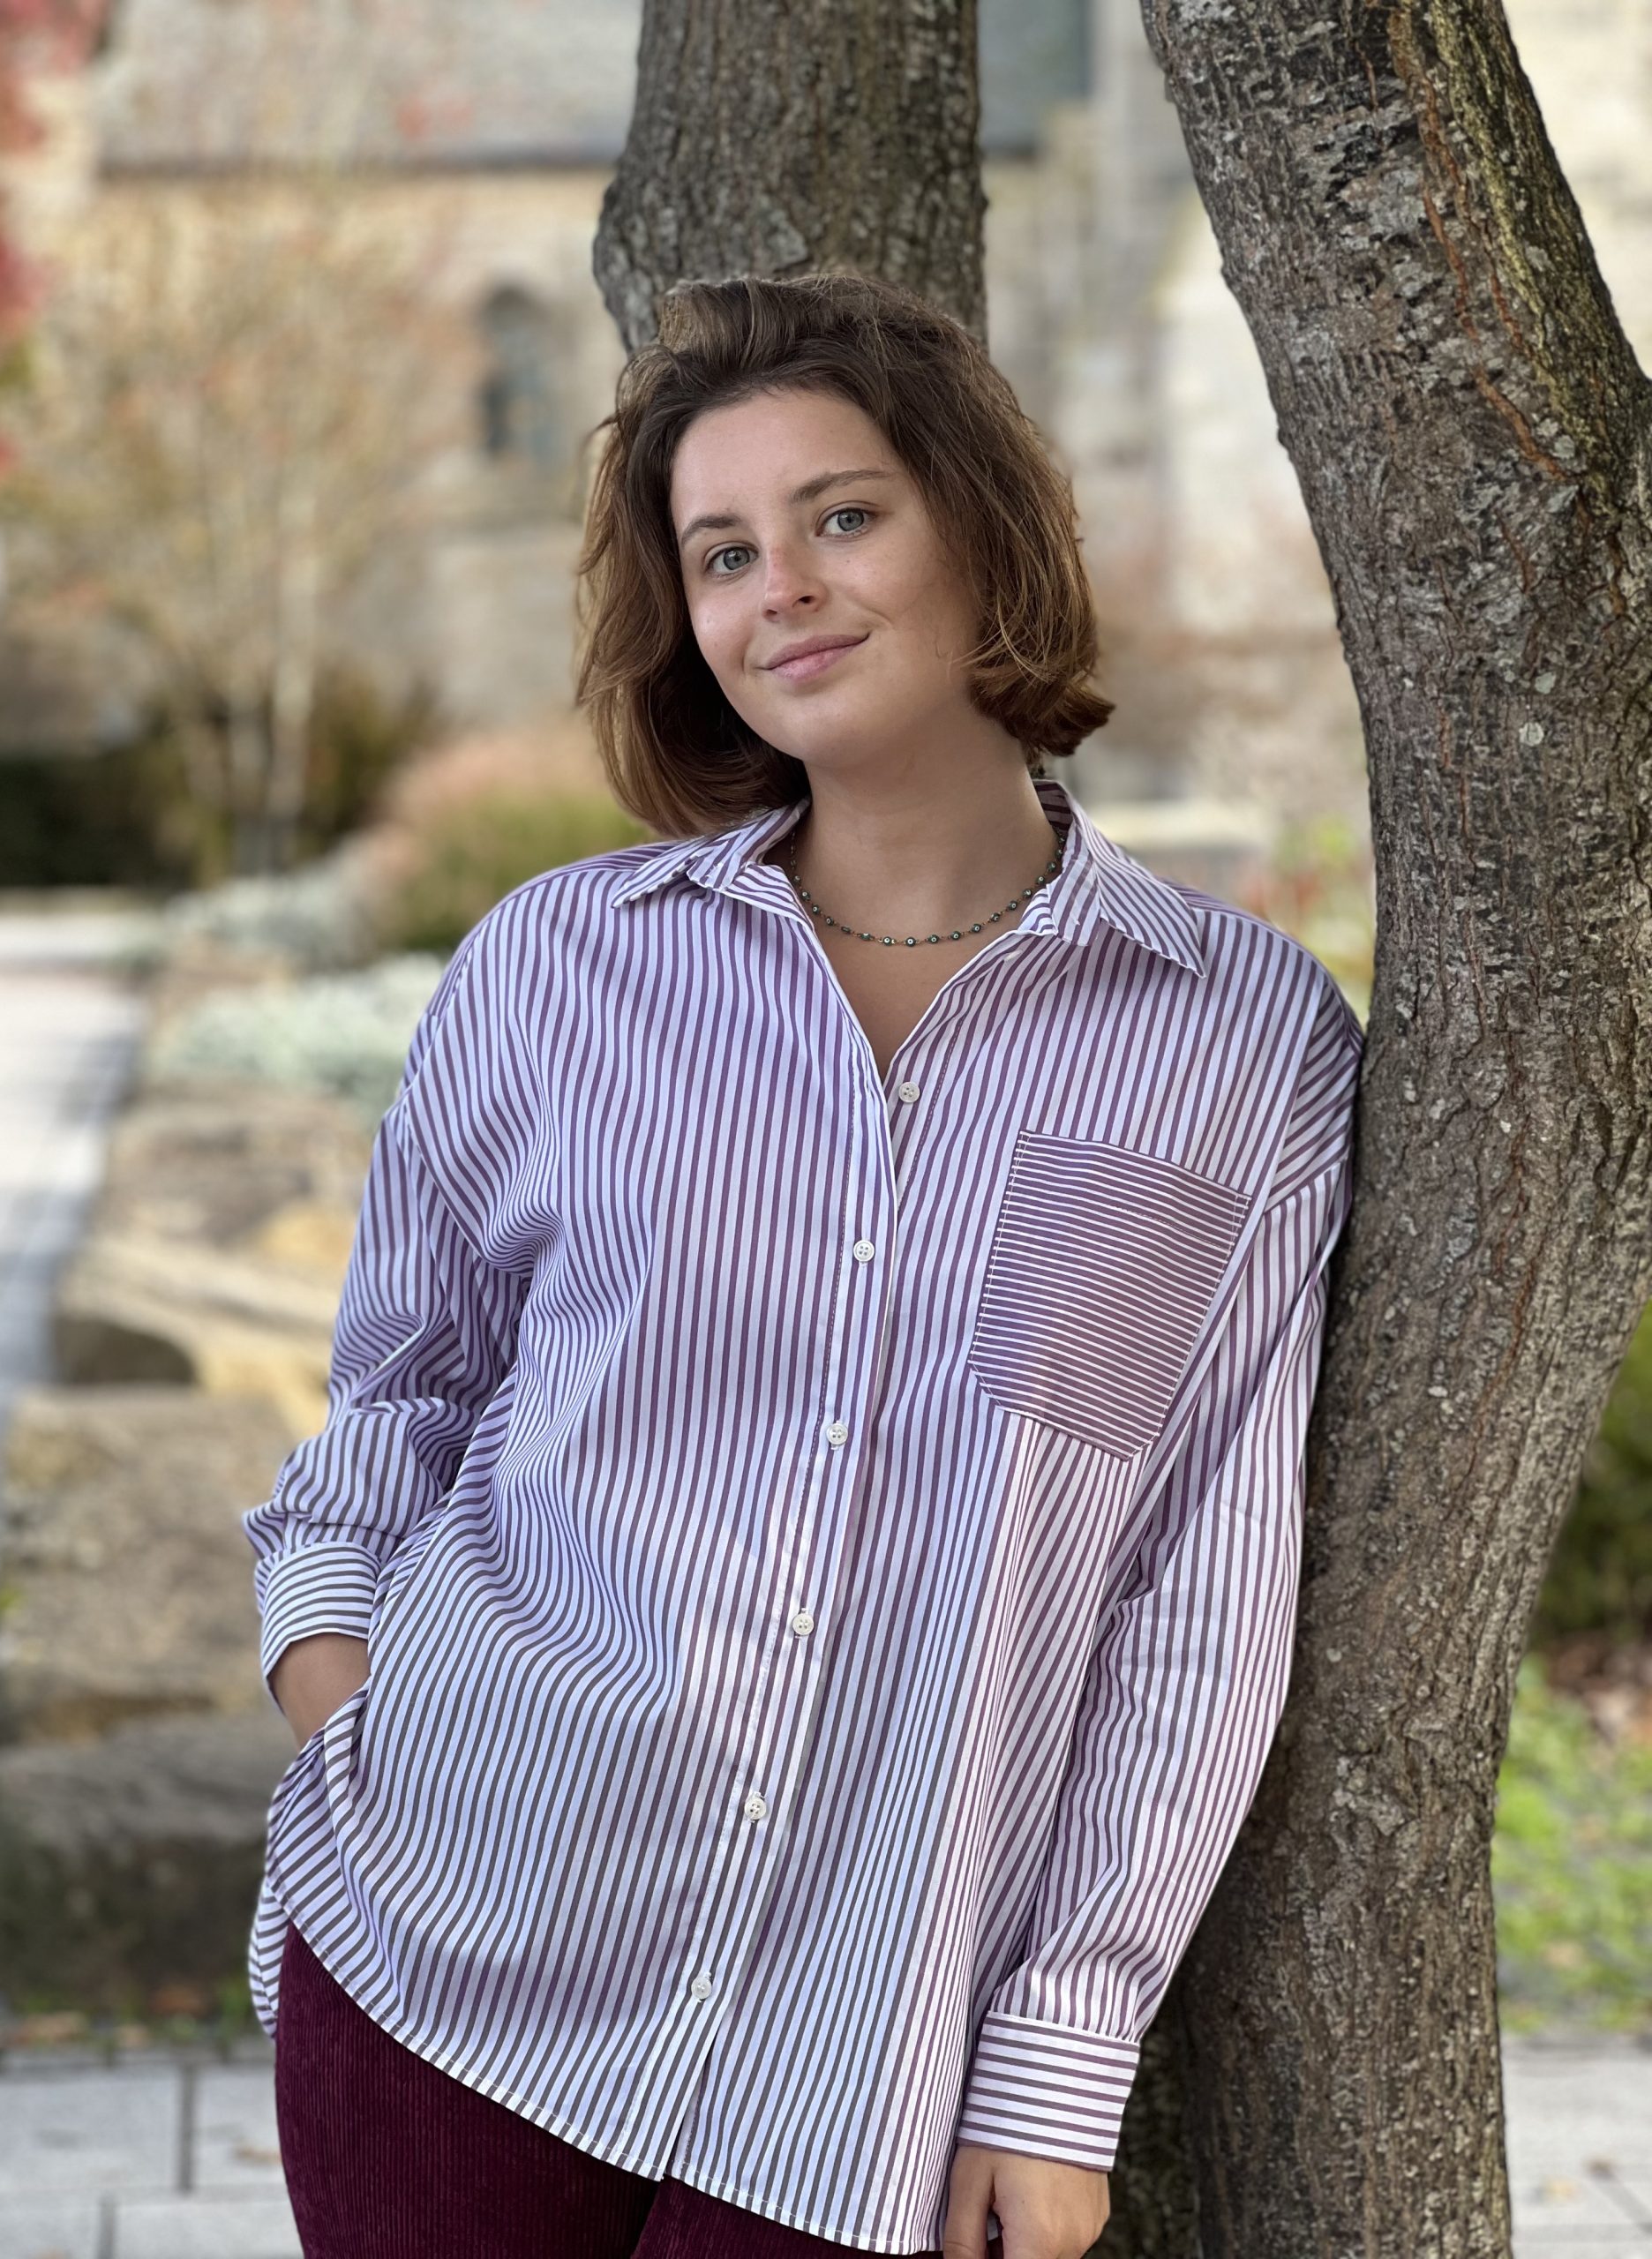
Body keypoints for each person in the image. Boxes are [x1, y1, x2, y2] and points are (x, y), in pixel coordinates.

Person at [247, 271, 1362, 2259]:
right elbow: (403, 1388)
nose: (787, 587)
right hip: (450, 1943)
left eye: (844, 516)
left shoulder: (1225, 1041)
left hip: (865, 2053)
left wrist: (1055, 2054)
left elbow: (1184, 1576)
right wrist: (341, 1683)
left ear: (979, 529)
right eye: (725, 551)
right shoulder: (563, 969)